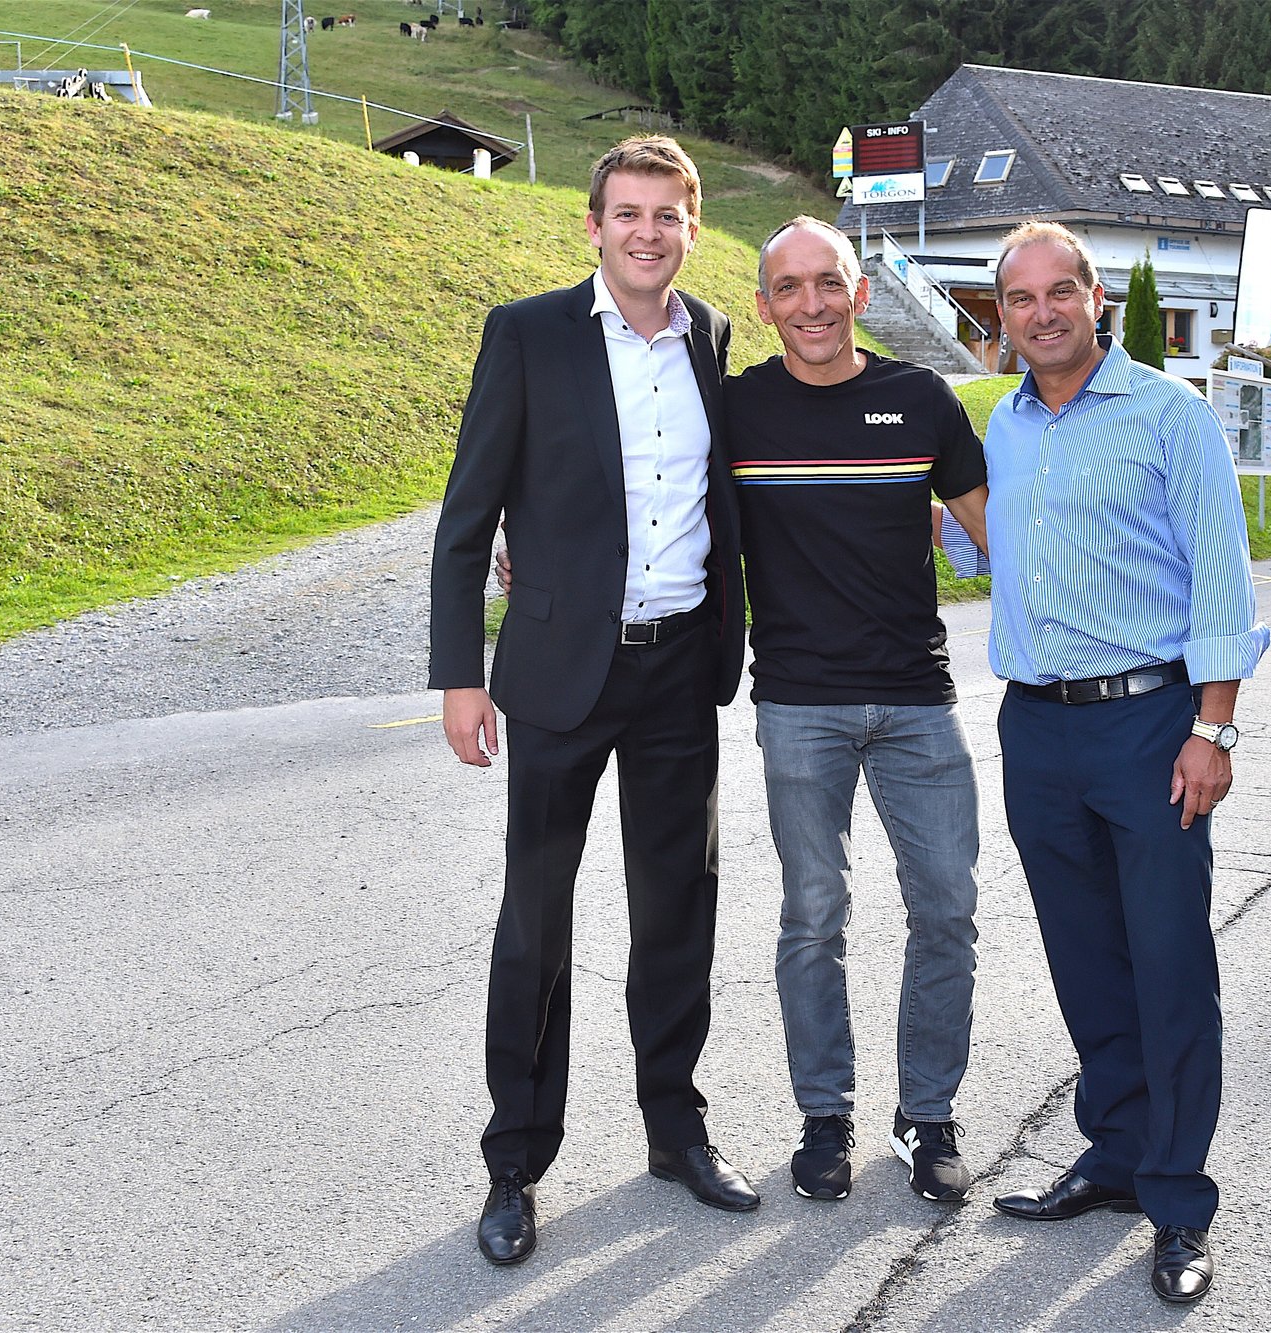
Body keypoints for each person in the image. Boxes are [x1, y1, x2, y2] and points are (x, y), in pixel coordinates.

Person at [498, 217, 991, 1205]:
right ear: (762, 306)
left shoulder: (919, 398)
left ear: (859, 295)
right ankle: (826, 1118)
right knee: (814, 916)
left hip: (916, 703)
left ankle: (925, 1116)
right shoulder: (736, 410)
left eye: (827, 283)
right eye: (787, 288)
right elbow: (632, 477)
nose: (808, 303)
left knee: (946, 907)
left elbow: (1006, 535)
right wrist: (532, 541)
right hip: (797, 704)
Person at [429, 135, 756, 1269]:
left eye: (667, 215)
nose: (646, 233)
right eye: (627, 213)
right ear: (593, 225)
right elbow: (467, 519)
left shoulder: (713, 336)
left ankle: (675, 1127)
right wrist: (460, 674)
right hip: (563, 671)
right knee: (537, 919)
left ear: (690, 226)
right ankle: (514, 1158)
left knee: (678, 911)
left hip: (679, 672)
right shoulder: (525, 334)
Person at [971, 222, 1269, 1304]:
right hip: (1034, 727)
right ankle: (1114, 1154)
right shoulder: (998, 426)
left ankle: (1178, 1200)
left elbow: (1220, 581)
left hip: (1149, 724)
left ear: (1096, 299)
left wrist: (1213, 726)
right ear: (998, 315)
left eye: (1060, 292)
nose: (1041, 312)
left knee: (1167, 960)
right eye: (1018, 299)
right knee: (1085, 953)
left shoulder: (1167, 415)